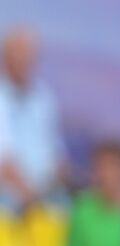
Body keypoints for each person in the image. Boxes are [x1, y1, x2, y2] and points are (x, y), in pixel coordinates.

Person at [0, 27, 65, 209]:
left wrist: (58, 183)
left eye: (29, 55)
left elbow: (56, 153)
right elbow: (3, 162)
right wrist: (30, 197)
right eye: (19, 55)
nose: (24, 61)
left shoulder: (43, 97)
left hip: (45, 194)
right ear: (5, 58)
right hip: (9, 198)